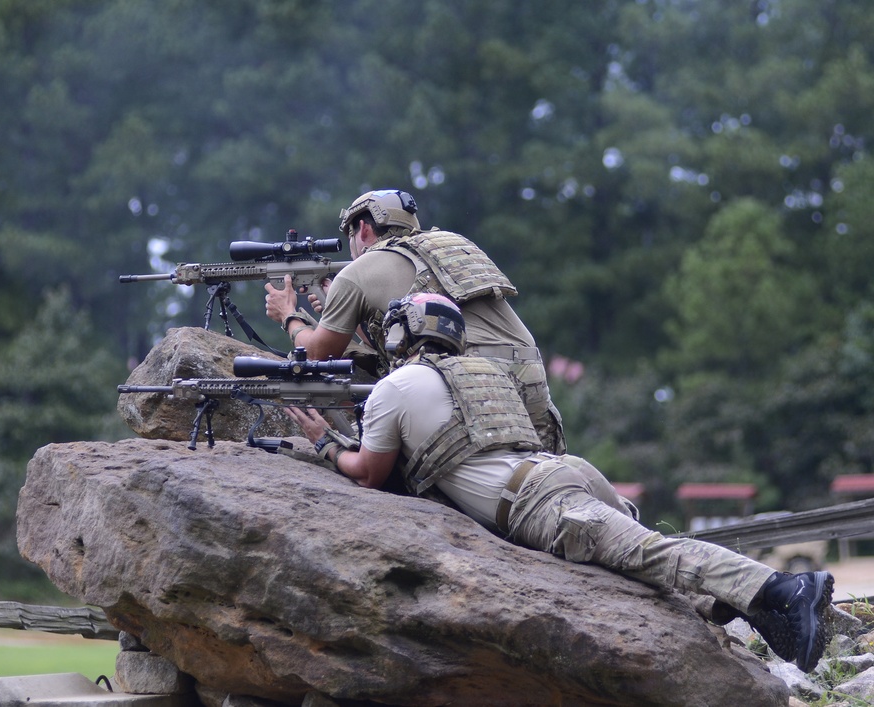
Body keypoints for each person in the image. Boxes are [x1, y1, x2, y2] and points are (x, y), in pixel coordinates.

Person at [285, 292, 835, 673]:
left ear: (404, 332)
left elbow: (370, 474)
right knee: (644, 573)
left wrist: (326, 442)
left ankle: (787, 590)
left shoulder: (397, 386)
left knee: (654, 556)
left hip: (536, 501)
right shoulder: (487, 373)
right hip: (569, 473)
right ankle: (767, 619)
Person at [265, 189, 566, 454]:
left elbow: (318, 354)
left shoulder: (358, 272)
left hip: (469, 379)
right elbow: (405, 335)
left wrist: (288, 315)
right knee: (537, 477)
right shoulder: (449, 245)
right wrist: (349, 315)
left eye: (351, 237)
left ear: (364, 229)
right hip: (529, 373)